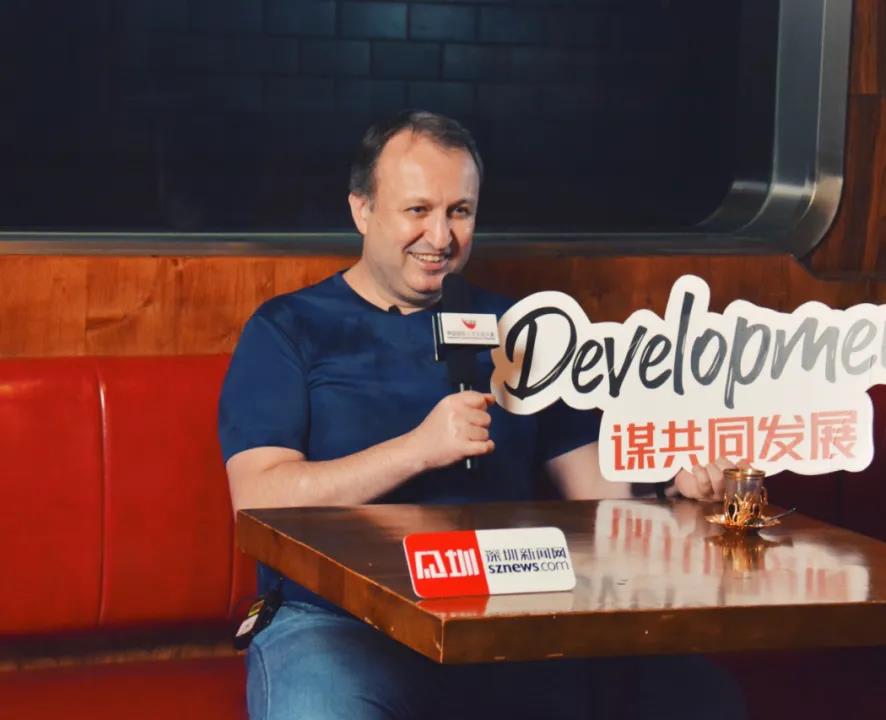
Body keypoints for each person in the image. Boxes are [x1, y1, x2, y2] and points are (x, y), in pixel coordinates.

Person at [219, 110, 746, 719]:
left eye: (460, 211)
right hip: (340, 622)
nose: (440, 237)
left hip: (508, 615)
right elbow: (257, 499)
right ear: (362, 210)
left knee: (696, 693)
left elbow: (604, 498)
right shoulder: (289, 328)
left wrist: (674, 493)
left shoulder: (524, 330)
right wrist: (418, 449)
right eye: (418, 210)